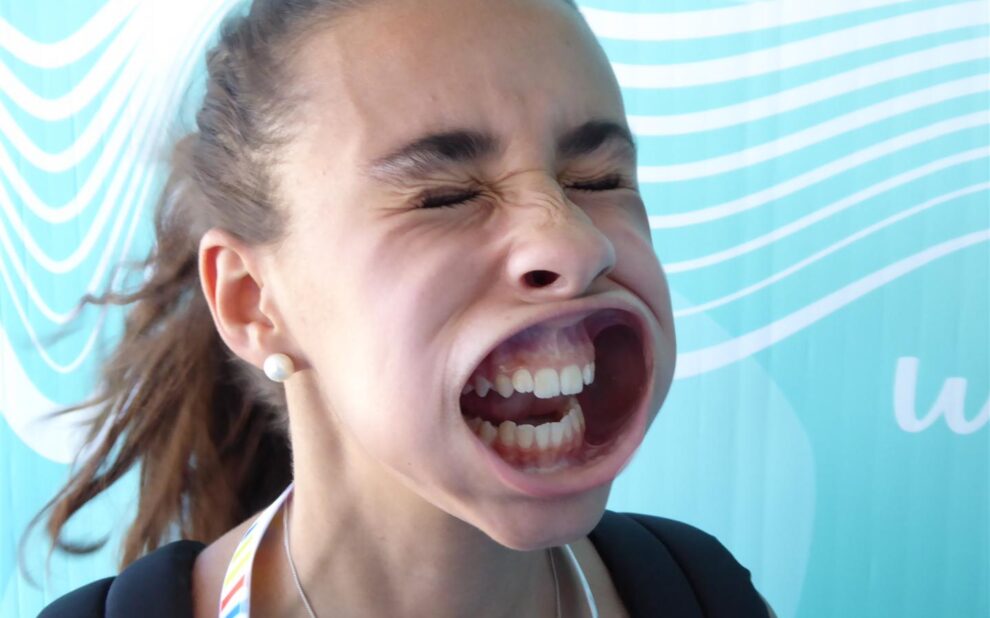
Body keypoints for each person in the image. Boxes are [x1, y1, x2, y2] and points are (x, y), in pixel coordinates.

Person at [35, 0, 776, 616]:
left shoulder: (700, 591)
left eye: (598, 178)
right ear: (253, 302)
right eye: (446, 196)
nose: (576, 242)